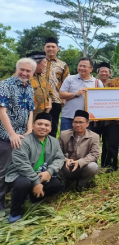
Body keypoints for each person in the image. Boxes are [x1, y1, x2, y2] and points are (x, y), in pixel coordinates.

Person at [5, 112, 65, 223]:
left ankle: (33, 198)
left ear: (51, 128)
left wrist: (50, 172)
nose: (43, 127)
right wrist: (36, 182)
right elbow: (22, 165)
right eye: (39, 124)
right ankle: (15, 213)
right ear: (33, 126)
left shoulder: (54, 142)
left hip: (41, 173)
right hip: (20, 174)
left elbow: (60, 158)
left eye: (46, 125)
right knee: (24, 183)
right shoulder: (23, 141)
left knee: (56, 184)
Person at [0, 58, 36, 212]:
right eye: (22, 69)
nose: (24, 73)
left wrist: (29, 130)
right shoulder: (5, 85)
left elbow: (30, 110)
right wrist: (12, 134)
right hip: (7, 135)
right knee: (3, 169)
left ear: (32, 73)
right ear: (16, 69)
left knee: (23, 166)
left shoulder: (29, 87)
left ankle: (19, 196)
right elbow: (2, 110)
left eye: (28, 71)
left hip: (23, 135)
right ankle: (0, 201)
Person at [59, 57, 104, 131]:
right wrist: (75, 94)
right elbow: (61, 94)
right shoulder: (70, 79)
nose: (81, 68)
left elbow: (101, 101)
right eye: (80, 66)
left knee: (84, 141)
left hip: (86, 120)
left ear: (91, 69)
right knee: (65, 140)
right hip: (68, 117)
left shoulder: (97, 83)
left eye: (84, 66)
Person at [59, 110, 100, 191]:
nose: (78, 125)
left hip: (82, 167)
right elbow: (57, 152)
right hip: (66, 167)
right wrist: (65, 160)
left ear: (87, 124)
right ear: (72, 123)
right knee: (55, 163)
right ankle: (63, 183)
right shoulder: (63, 134)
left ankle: (81, 185)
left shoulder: (94, 136)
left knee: (93, 166)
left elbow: (94, 154)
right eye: (75, 122)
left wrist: (79, 162)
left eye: (81, 122)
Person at [42, 37, 70, 137]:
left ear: (57, 48)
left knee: (52, 126)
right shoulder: (38, 63)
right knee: (36, 125)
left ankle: (50, 150)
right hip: (37, 99)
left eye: (53, 46)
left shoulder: (63, 65)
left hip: (56, 100)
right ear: (44, 48)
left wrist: (64, 98)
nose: (50, 49)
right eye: (48, 46)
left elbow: (66, 82)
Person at [94, 62, 111, 168]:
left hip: (109, 119)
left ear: (109, 73)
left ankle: (105, 164)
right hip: (95, 118)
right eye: (101, 71)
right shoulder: (93, 83)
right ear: (98, 73)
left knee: (107, 142)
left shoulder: (114, 84)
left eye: (106, 71)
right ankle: (93, 163)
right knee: (94, 141)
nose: (104, 73)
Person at [26, 51, 53, 120]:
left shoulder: (43, 77)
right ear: (36, 63)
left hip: (42, 117)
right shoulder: (23, 77)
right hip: (27, 118)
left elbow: (50, 92)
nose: (45, 65)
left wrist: (49, 104)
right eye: (44, 63)